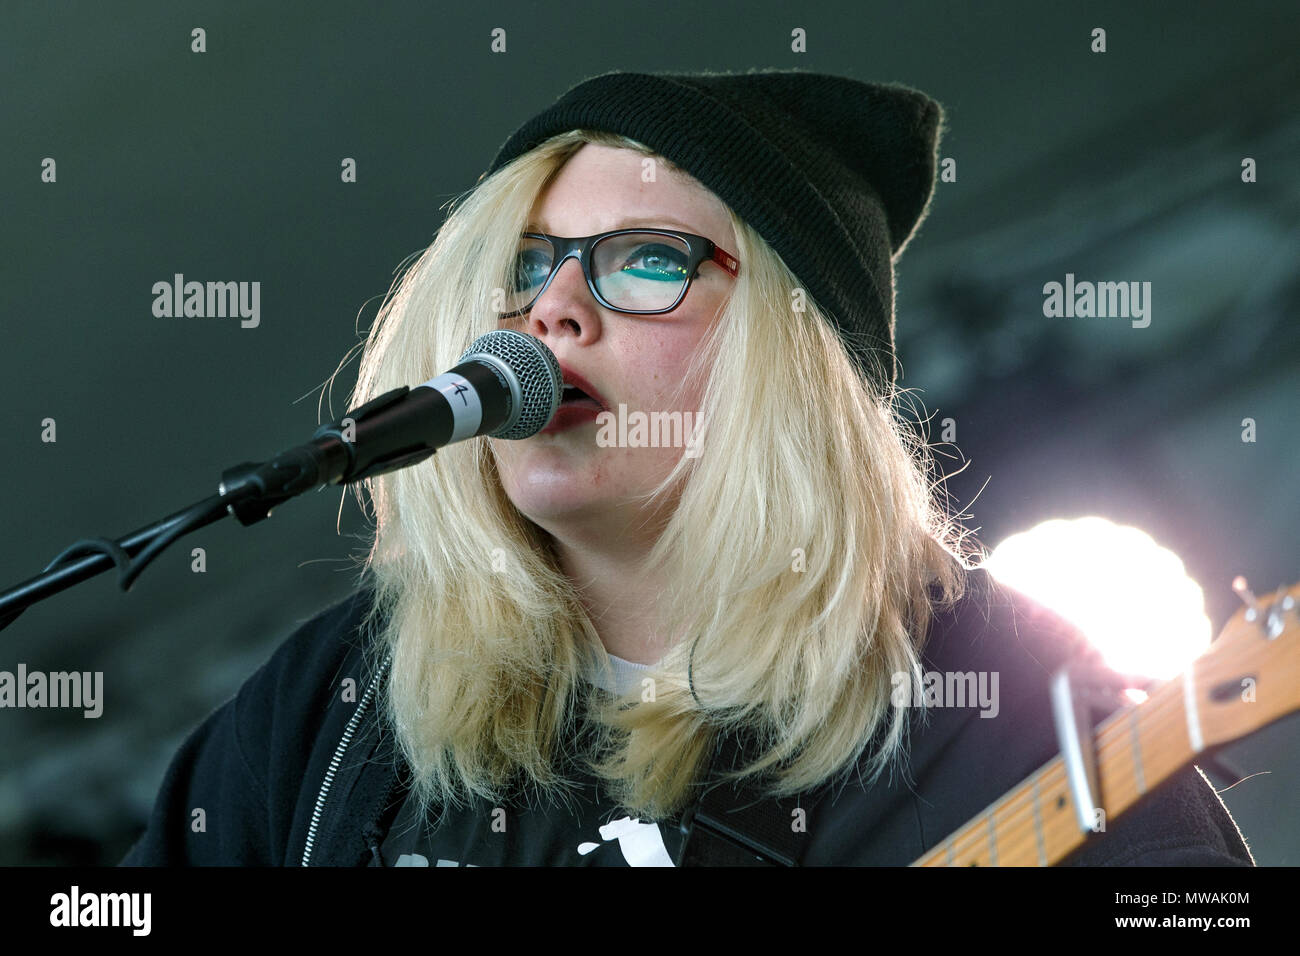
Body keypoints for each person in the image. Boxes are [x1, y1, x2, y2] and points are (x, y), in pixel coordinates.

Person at [120, 68, 1253, 867]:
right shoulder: (336, 705)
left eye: (645, 261)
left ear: (791, 358)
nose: (552, 308)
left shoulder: (1024, 722)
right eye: (522, 268)